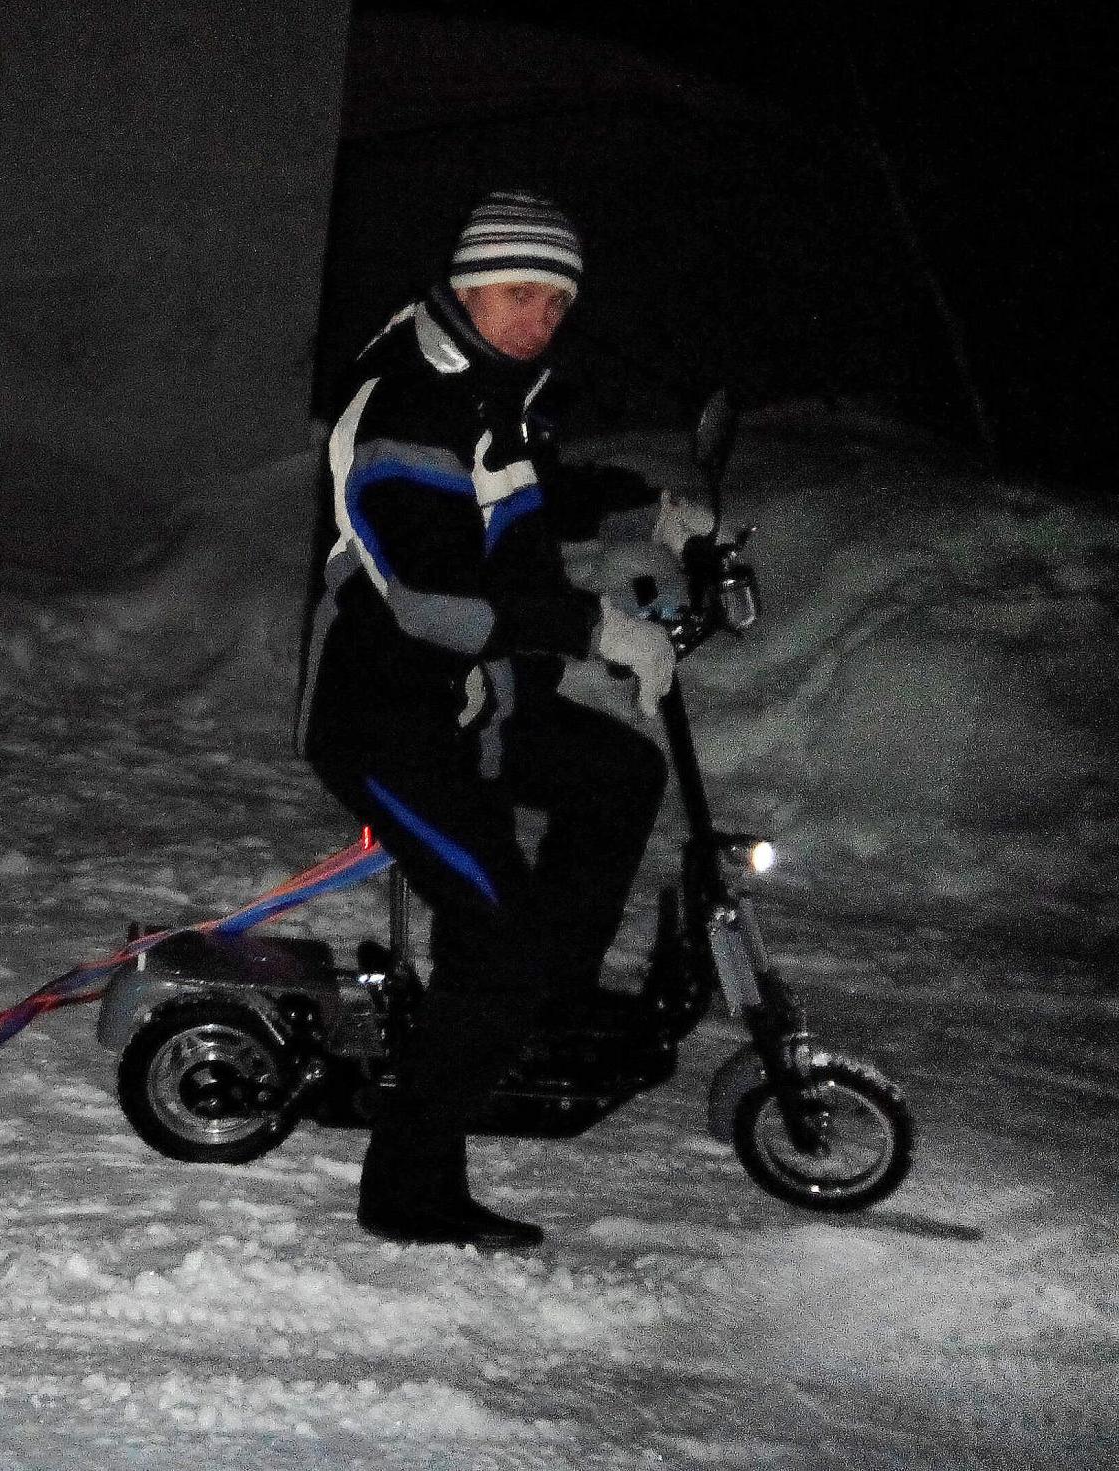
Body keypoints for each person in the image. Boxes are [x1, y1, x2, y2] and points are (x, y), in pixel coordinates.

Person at [296, 190, 710, 1250]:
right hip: (385, 715)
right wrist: (594, 628)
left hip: (472, 701)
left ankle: (538, 1000)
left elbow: (522, 493)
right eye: (519, 292)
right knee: (491, 932)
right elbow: (429, 595)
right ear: (466, 284)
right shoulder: (405, 403)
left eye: (555, 301)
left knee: (618, 776)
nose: (537, 317)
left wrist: (637, 503)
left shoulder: (488, 391)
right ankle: (407, 1187)